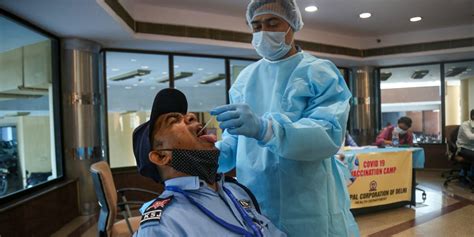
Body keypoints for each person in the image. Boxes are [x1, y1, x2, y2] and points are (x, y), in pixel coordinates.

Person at [210, 0, 359, 236]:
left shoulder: (318, 72)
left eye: (272, 23)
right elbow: (235, 142)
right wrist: (210, 156)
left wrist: (266, 129)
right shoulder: (245, 79)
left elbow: (328, 133)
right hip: (256, 200)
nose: (263, 32)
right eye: (256, 26)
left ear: (292, 25)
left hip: (308, 203)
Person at [132, 88, 286, 236]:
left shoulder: (236, 191)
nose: (191, 116)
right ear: (161, 157)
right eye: (173, 120)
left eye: (185, 115)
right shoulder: (165, 224)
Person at [456, 109, 474, 176]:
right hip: (463, 148)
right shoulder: (465, 125)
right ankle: (469, 174)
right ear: (472, 116)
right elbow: (470, 137)